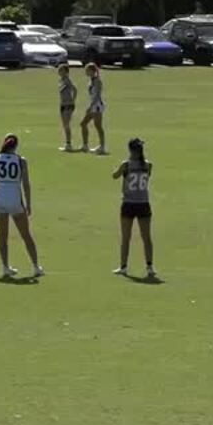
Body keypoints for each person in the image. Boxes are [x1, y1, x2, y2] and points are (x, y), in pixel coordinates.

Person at [0, 134, 44, 280]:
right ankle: (36, 267)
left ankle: (5, 267)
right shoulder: (20, 160)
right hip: (14, 199)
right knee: (26, 235)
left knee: (3, 235)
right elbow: (25, 184)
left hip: (0, 198)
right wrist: (29, 204)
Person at [112, 137, 155, 279]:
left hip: (129, 203)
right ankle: (149, 267)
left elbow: (115, 176)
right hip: (143, 203)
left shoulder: (126, 165)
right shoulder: (148, 165)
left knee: (126, 237)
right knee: (146, 237)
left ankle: (123, 267)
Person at [80, 63, 107, 154]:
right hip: (93, 105)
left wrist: (91, 106)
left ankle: (102, 146)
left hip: (97, 106)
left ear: (92, 71)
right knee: (83, 124)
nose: (86, 72)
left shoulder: (97, 81)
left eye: (87, 70)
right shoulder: (91, 81)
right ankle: (85, 145)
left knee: (98, 126)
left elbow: (97, 95)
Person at [57, 64, 79, 152]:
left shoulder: (67, 80)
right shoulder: (61, 80)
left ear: (66, 72)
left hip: (68, 104)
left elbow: (75, 89)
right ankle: (67, 143)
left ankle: (69, 144)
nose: (59, 72)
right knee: (64, 124)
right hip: (62, 104)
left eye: (61, 70)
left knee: (67, 124)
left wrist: (73, 100)